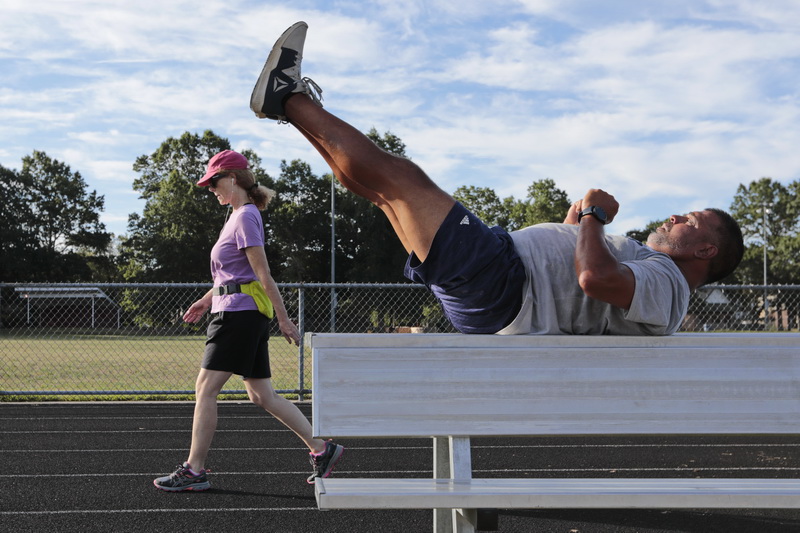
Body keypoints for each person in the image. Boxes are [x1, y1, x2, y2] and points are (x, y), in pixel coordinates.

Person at [249, 22, 744, 336]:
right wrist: (574, 225)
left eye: (693, 220)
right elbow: (584, 274)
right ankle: (290, 107)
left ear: (706, 251)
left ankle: (289, 99)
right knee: (385, 190)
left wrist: (593, 215)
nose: (678, 215)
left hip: (506, 284)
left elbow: (594, 279)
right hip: (505, 283)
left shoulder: (669, 287)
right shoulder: (656, 273)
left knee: (400, 178)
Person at [154, 149, 343, 491]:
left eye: (214, 181)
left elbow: (262, 273)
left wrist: (285, 319)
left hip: (237, 316)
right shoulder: (238, 215)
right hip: (237, 310)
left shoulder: (245, 217)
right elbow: (233, 275)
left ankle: (194, 471)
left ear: (233, 178)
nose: (211, 189)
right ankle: (322, 448)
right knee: (261, 394)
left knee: (205, 389)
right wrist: (204, 300)